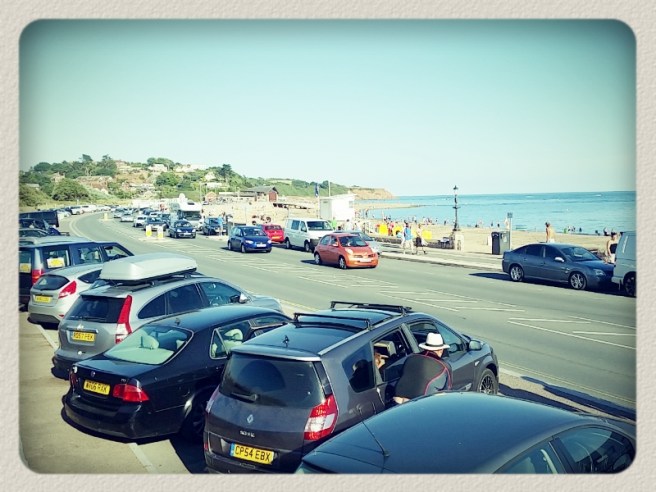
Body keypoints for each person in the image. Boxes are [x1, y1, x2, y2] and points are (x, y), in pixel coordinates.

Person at [393, 332, 452, 404]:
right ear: (441, 350)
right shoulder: (445, 366)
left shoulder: (410, 358)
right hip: (420, 405)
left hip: (397, 402)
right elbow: (446, 393)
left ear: (425, 348)